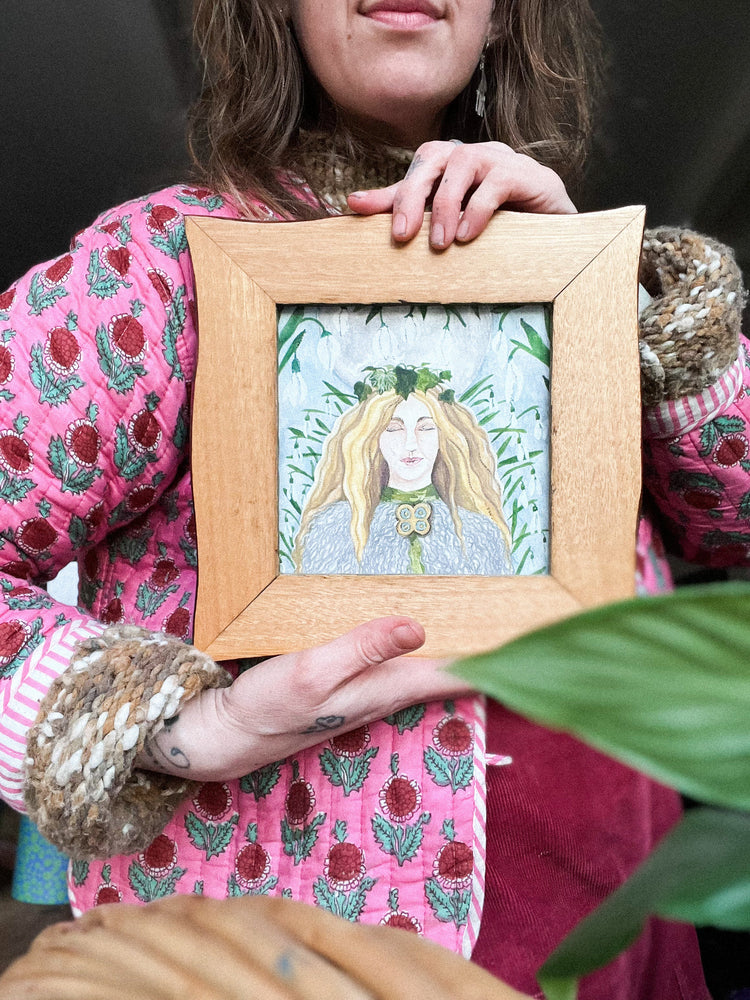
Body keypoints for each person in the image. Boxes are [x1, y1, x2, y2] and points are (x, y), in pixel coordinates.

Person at [0, 1, 746, 997]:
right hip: (298, 961)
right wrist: (179, 731)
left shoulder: (581, 270)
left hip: (621, 933)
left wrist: (615, 315)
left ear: (503, 18)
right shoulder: (156, 274)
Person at [293, 366, 514, 574]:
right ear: (372, 438)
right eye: (393, 428)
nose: (410, 444)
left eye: (426, 428)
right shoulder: (335, 530)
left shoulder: (479, 534)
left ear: (445, 437)